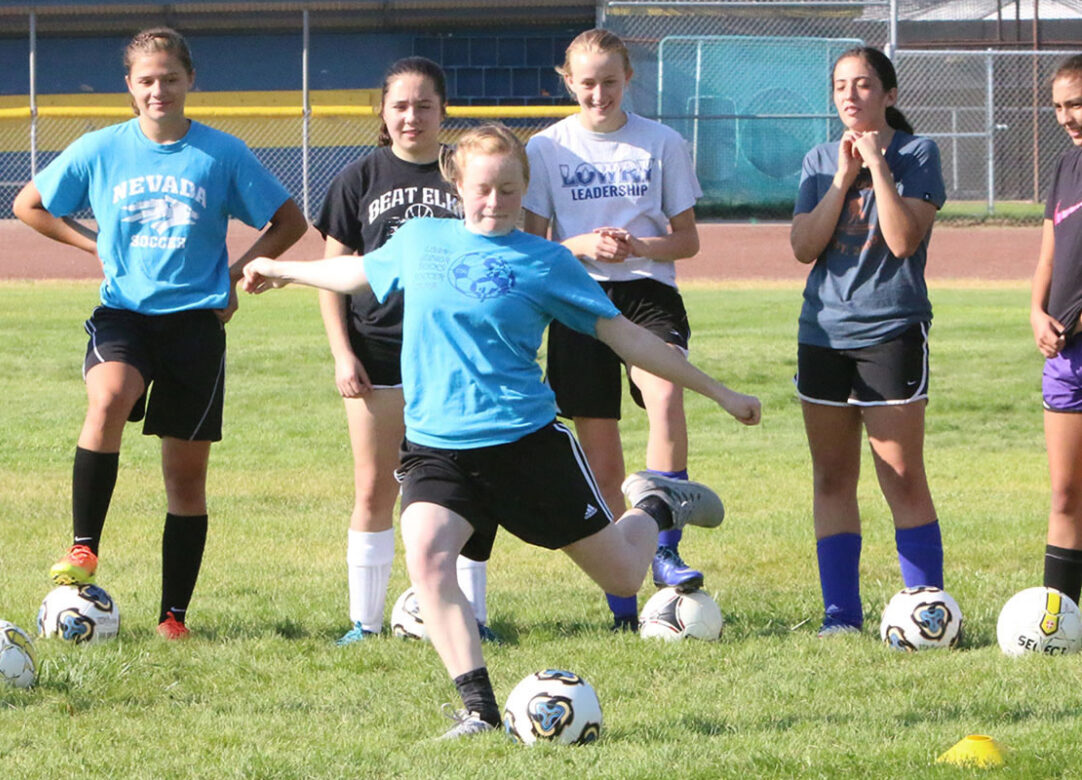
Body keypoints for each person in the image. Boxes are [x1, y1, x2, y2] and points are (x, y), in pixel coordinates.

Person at [241, 124, 760, 738]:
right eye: (484, 189)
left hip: (527, 447)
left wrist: (721, 392)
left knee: (622, 575)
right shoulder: (423, 239)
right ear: (457, 184)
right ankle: (480, 712)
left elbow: (629, 338)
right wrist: (281, 268)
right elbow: (357, 272)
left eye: (509, 190)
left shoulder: (547, 263)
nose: (495, 202)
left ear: (524, 187)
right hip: (437, 446)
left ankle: (656, 502)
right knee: (429, 556)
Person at [12, 27, 306, 639]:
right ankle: (84, 546)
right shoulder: (99, 149)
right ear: (129, 86)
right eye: (146, 80)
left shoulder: (221, 153)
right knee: (111, 394)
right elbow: (30, 204)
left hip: (196, 324)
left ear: (189, 81)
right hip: (125, 314)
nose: (158, 90)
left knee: (185, 478)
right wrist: (91, 244)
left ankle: (174, 617)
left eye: (170, 79)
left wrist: (232, 277)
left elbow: (289, 220)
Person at [523, 28, 719, 632]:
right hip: (577, 295)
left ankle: (662, 540)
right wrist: (581, 244)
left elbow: (687, 239)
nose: (600, 94)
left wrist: (640, 245)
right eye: (588, 83)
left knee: (664, 392)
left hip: (648, 291)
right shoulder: (546, 148)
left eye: (611, 81)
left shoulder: (661, 142)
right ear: (568, 81)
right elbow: (530, 245)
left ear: (628, 79)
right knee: (601, 452)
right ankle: (622, 602)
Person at [313, 56, 494, 646]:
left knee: (468, 484)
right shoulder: (358, 179)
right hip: (379, 350)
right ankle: (363, 623)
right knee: (374, 486)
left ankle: (475, 615)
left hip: (453, 354)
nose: (411, 116)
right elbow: (332, 274)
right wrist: (344, 354)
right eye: (400, 106)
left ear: (443, 110)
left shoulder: (463, 176)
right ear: (383, 114)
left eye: (423, 105)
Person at [789, 46, 946, 636]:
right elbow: (804, 246)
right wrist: (842, 178)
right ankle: (841, 616)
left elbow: (904, 240)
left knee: (901, 474)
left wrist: (878, 166)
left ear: (889, 94)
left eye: (862, 85)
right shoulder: (818, 159)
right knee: (832, 477)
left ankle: (925, 609)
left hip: (891, 331)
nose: (850, 96)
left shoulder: (917, 152)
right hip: (823, 334)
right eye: (840, 87)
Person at [1029, 54, 1082, 607]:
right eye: (1059, 107)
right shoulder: (1066, 168)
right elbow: (1047, 256)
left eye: (1076, 103)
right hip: (1067, 358)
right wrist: (1036, 311)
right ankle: (1058, 619)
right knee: (1065, 493)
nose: (1068, 116)